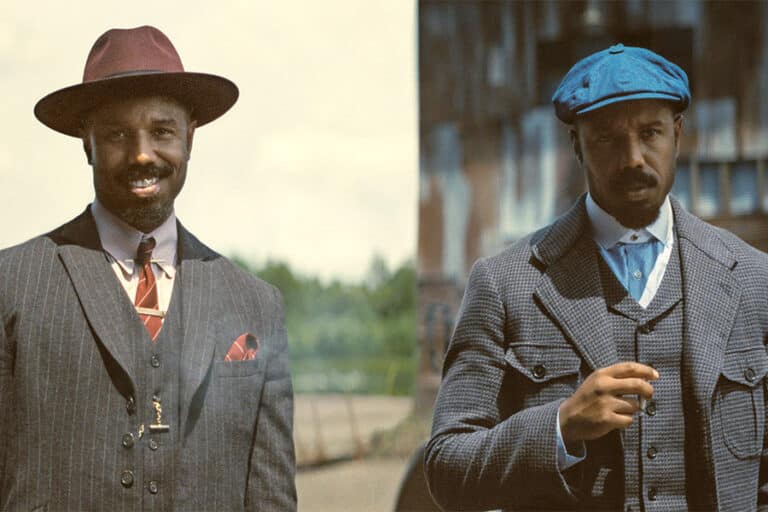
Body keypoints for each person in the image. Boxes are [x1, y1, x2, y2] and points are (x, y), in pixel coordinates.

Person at [424, 43, 768, 511]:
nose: (632, 158)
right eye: (607, 138)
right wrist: (560, 426)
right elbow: (447, 470)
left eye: (651, 133)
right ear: (577, 146)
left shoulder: (752, 279)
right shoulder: (505, 284)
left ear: (679, 135)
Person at [0, 26, 296, 511]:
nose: (141, 154)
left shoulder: (255, 304)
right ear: (86, 141)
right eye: (117, 134)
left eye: (162, 132)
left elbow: (272, 498)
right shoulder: (13, 286)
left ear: (190, 137)